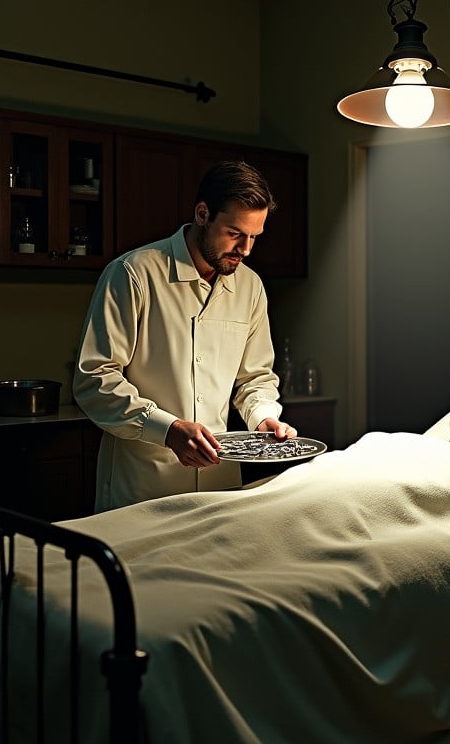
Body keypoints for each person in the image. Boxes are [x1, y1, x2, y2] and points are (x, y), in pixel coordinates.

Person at [74, 160, 296, 512]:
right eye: (236, 233)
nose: (246, 249)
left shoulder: (250, 287)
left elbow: (255, 378)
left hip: (218, 487)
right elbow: (95, 380)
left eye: (255, 237)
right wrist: (168, 429)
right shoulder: (133, 274)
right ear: (203, 214)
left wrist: (263, 417)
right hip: (144, 487)